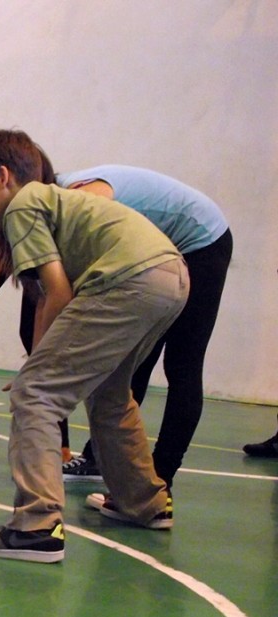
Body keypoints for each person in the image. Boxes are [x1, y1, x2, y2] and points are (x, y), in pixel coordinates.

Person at [0, 130, 188, 564]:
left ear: (3, 177)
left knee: (35, 394)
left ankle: (36, 526)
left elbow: (58, 292)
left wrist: (36, 368)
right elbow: (56, 296)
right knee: (109, 394)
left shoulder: (22, 204)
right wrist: (42, 359)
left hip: (128, 279)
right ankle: (146, 503)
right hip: (170, 275)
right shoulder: (55, 200)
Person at [51, 165, 233, 490]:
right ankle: (98, 459)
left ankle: (161, 481)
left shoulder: (80, 203)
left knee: (183, 364)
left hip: (202, 241)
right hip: (162, 246)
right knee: (135, 361)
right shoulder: (56, 203)